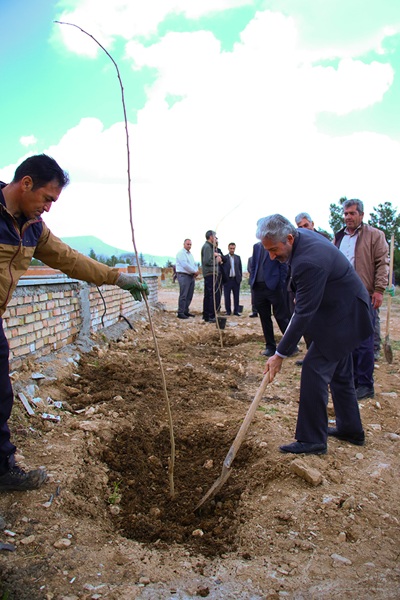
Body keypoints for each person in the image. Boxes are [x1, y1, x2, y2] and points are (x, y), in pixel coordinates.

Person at [0, 154, 148, 491]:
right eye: (47, 198)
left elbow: (69, 259)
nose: (49, 207)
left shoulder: (33, 228)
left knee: (1, 396)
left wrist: (117, 278)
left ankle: (3, 469)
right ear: (26, 184)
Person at [258, 214, 373, 455]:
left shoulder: (309, 260)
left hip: (346, 316)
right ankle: (351, 429)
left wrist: (279, 354)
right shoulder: (301, 239)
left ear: (289, 238)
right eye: (266, 250)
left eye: (274, 249)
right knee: (340, 373)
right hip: (340, 312)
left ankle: (312, 440)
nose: (271, 256)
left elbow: (304, 313)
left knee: (313, 368)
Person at [334, 199, 389, 400]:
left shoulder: (375, 235)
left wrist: (379, 290)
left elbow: (382, 263)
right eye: (346, 214)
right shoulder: (339, 237)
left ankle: (366, 384)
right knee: (348, 340)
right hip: (343, 296)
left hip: (364, 294)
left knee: (365, 341)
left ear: (361, 215)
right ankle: (353, 381)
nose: (348, 217)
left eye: (352, 213)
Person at [249, 241, 292, 356]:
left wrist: (281, 283)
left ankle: (291, 346)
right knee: (264, 318)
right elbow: (254, 265)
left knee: (281, 317)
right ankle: (270, 347)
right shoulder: (256, 246)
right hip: (258, 287)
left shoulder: (276, 244)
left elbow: (283, 264)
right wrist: (252, 280)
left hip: (274, 287)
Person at [201, 230, 223, 323]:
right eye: (215, 236)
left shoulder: (210, 247)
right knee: (211, 295)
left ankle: (206, 315)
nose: (215, 238)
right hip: (210, 273)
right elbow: (207, 261)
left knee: (208, 294)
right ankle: (210, 316)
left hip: (210, 273)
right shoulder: (207, 247)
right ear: (210, 237)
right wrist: (217, 261)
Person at [175, 239, 199, 319]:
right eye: (188, 244)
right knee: (184, 294)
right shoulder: (181, 253)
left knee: (189, 294)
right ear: (184, 244)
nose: (189, 246)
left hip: (190, 276)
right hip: (183, 275)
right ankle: (180, 312)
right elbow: (185, 265)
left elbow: (193, 264)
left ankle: (185, 310)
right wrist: (194, 271)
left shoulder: (190, 254)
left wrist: (195, 271)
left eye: (190, 244)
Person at [222, 243, 242, 316]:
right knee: (227, 296)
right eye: (231, 248)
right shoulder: (225, 258)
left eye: (233, 248)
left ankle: (236, 311)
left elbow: (240, 268)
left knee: (236, 296)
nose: (232, 250)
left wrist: (240, 278)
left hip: (236, 280)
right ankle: (228, 311)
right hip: (227, 280)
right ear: (228, 248)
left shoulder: (238, 257)